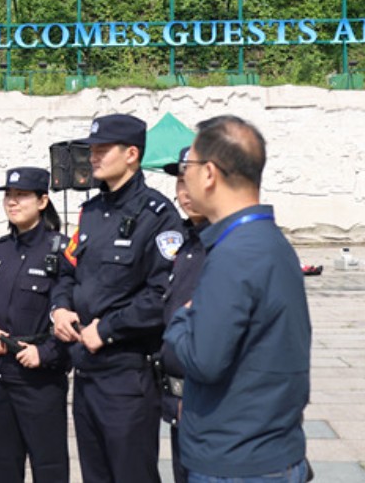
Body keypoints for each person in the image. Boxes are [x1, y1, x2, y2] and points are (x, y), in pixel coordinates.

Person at [162, 115, 312, 483]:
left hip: (237, 461)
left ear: (209, 173)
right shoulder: (268, 242)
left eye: (189, 167)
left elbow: (203, 359)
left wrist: (181, 321)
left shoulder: (234, 254)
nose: (186, 178)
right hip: (269, 449)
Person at [50, 114, 186, 483]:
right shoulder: (91, 212)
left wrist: (107, 330)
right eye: (92, 149)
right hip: (87, 372)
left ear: (131, 154)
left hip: (128, 374)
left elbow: (163, 295)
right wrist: (59, 308)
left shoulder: (158, 215)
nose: (93, 156)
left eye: (102, 149)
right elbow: (67, 270)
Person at [0, 167, 72, 483]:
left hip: (39, 379)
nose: (12, 202)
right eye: (8, 196)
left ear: (42, 201)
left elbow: (74, 315)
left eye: (22, 195)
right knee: (0, 465)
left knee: (49, 466)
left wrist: (47, 353)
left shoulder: (62, 251)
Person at [158, 145, 210, 483]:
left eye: (190, 181)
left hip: (213, 403)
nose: (184, 193)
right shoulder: (181, 239)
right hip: (178, 399)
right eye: (179, 183)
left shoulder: (227, 243)